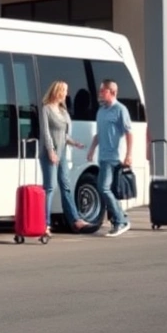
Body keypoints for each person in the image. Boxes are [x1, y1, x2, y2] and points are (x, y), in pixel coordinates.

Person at [40, 80, 89, 235]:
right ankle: (45, 224)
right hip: (50, 153)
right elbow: (46, 133)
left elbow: (65, 135)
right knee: (50, 187)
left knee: (66, 186)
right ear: (58, 92)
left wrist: (75, 143)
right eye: (65, 91)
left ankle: (75, 219)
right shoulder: (46, 109)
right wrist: (50, 151)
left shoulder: (63, 112)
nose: (67, 94)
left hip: (61, 153)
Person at [86, 78, 133, 237]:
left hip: (114, 157)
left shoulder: (120, 109)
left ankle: (121, 221)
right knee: (108, 189)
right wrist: (92, 150)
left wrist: (129, 155)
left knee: (103, 188)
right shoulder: (101, 111)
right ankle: (121, 217)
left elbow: (129, 133)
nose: (99, 94)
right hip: (103, 156)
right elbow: (99, 134)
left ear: (112, 92)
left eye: (102, 91)